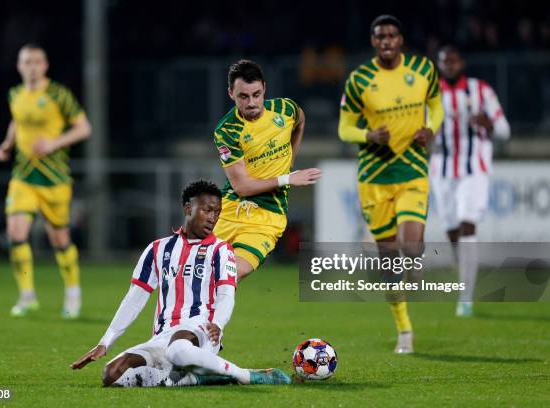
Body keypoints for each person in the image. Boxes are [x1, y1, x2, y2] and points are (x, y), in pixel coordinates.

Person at [70, 180, 290, 387]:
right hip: (162, 338)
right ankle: (195, 379)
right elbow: (134, 299)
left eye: (217, 212)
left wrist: (218, 325)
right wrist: (105, 342)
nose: (213, 218)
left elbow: (226, 293)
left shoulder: (221, 250)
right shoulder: (158, 249)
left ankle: (247, 375)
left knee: (179, 349)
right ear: (188, 209)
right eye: (207, 210)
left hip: (202, 331)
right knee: (112, 374)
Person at [338, 15, 444, 353]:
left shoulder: (423, 69)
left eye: (392, 36)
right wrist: (368, 134)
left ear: (400, 40)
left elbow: (436, 105)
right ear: (373, 42)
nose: (386, 41)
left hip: (412, 169)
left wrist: (432, 129)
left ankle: (415, 267)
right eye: (380, 36)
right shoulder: (360, 80)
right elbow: (345, 129)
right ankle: (404, 330)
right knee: (388, 260)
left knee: (411, 248)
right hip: (374, 178)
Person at [0, 44, 91, 318]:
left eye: (37, 61)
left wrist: (53, 143)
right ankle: (27, 296)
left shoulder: (58, 95)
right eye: (26, 62)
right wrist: (7, 143)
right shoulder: (15, 94)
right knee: (15, 232)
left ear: (45, 65)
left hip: (55, 178)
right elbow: (16, 120)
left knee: (60, 240)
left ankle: (73, 293)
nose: (32, 66)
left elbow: (84, 128)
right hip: (23, 176)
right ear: (19, 65)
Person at [212, 60, 322, 282]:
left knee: (228, 276)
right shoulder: (227, 130)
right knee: (195, 275)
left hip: (268, 215)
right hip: (230, 210)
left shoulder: (284, 109)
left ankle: (206, 317)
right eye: (244, 96)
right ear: (231, 93)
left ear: (264, 88)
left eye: (257, 94)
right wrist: (288, 178)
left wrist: (291, 157)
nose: (252, 103)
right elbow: (242, 187)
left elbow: (300, 120)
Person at [431, 45, 510, 317]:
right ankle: (462, 267)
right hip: (441, 170)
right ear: (439, 66)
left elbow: (504, 130)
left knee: (467, 225)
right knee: (452, 229)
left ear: (461, 63)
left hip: (473, 169)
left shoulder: (481, 90)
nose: (449, 66)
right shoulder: (431, 95)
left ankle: (465, 298)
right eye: (444, 62)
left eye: (453, 61)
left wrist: (487, 121)